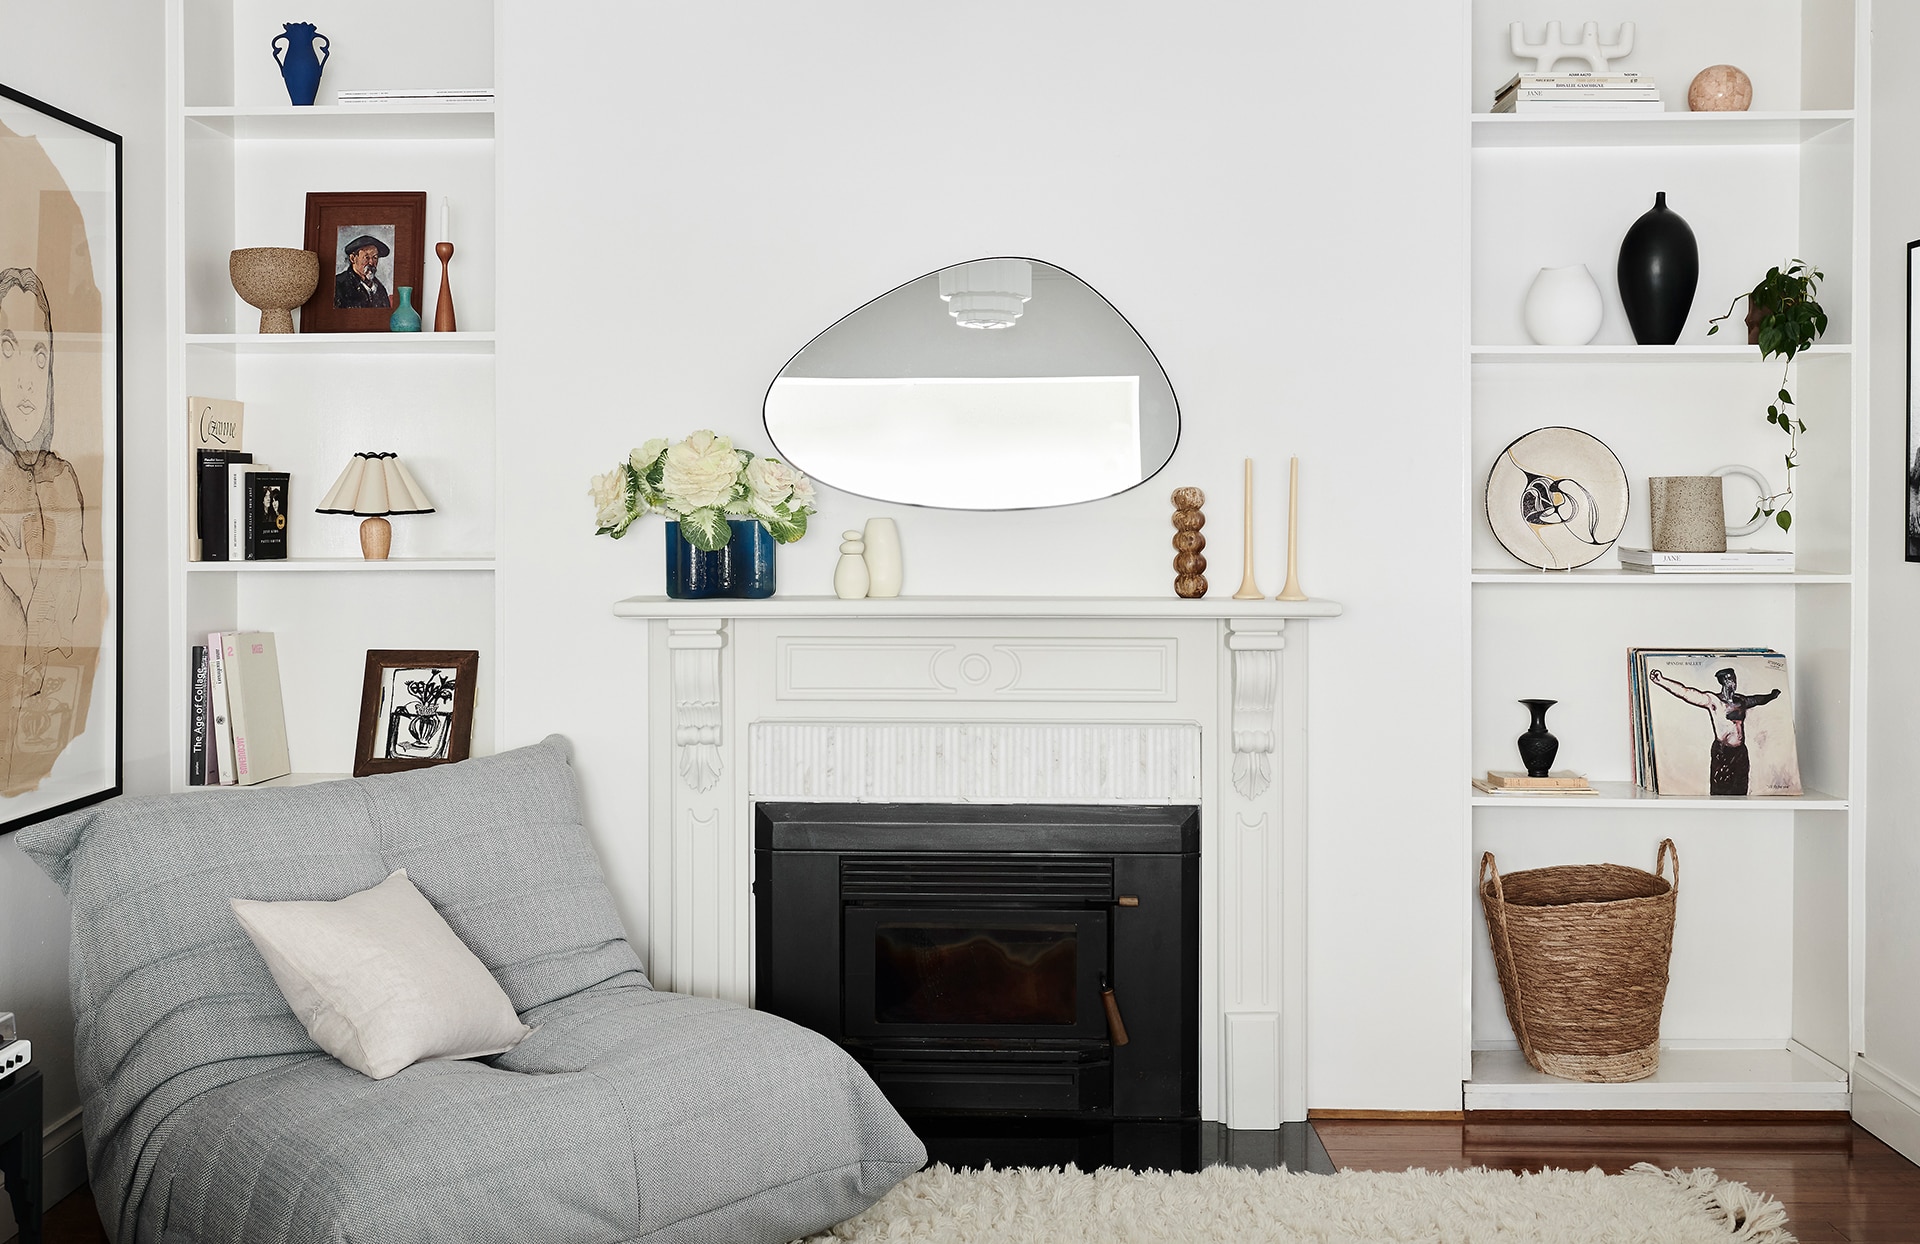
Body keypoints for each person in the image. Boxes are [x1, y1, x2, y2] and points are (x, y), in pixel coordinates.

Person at [0, 266, 88, 793]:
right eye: (8, 350)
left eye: (39, 354)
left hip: (54, 720)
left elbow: (66, 619)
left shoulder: (63, 481)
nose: (27, 377)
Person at [1649, 666, 1782, 796]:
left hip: (1740, 753)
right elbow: (1686, 692)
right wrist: (1661, 680)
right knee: (1721, 790)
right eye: (1729, 679)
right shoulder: (1714, 701)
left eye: (1734, 679)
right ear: (1723, 681)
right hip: (1723, 752)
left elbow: (1757, 700)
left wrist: (1771, 695)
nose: (1733, 683)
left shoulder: (1741, 700)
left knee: (1741, 789)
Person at [334, 233, 392, 308]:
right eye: (366, 257)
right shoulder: (339, 285)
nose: (371, 262)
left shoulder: (380, 289)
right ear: (353, 259)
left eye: (375, 257)